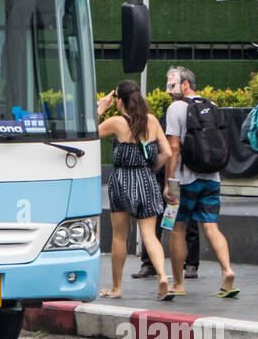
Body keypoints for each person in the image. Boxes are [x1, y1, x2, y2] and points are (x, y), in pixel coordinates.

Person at [96, 80, 174, 302]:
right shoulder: (151, 121)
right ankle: (162, 277)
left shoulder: (117, 123)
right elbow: (167, 152)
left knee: (120, 236)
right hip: (147, 181)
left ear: (119, 100)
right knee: (149, 234)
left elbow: (87, 135)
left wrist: (101, 108)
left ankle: (116, 287)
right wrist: (151, 169)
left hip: (121, 181)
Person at [164, 66, 239, 298]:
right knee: (211, 226)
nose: (168, 90)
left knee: (177, 228)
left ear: (185, 84)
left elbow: (173, 147)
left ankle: (177, 283)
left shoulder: (176, 108)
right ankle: (227, 271)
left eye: (172, 84)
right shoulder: (213, 107)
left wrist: (169, 181)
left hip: (184, 180)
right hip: (212, 178)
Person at [130, 172, 199, 280]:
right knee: (154, 223)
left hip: (177, 179)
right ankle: (149, 264)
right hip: (161, 178)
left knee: (185, 222)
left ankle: (191, 264)